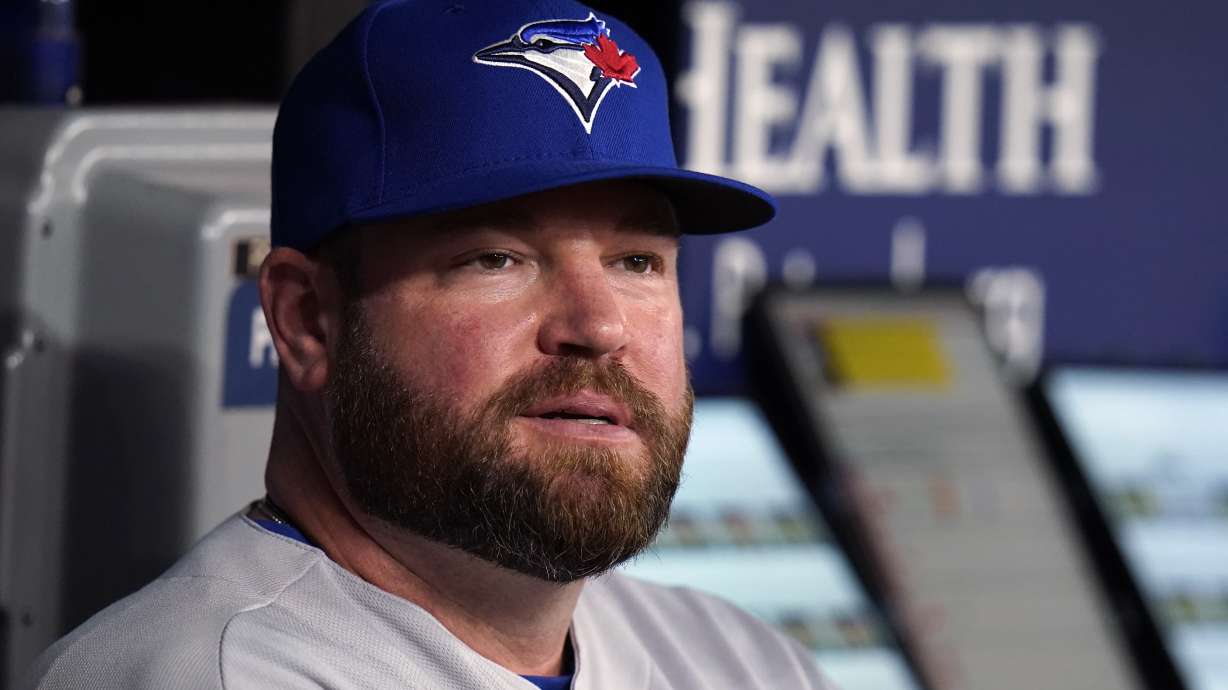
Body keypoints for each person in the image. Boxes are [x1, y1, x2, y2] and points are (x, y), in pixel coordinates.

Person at [26, 1, 832, 688]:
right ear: (307, 319)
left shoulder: (744, 663)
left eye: (636, 262)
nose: (598, 325)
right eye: (496, 258)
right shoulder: (216, 674)